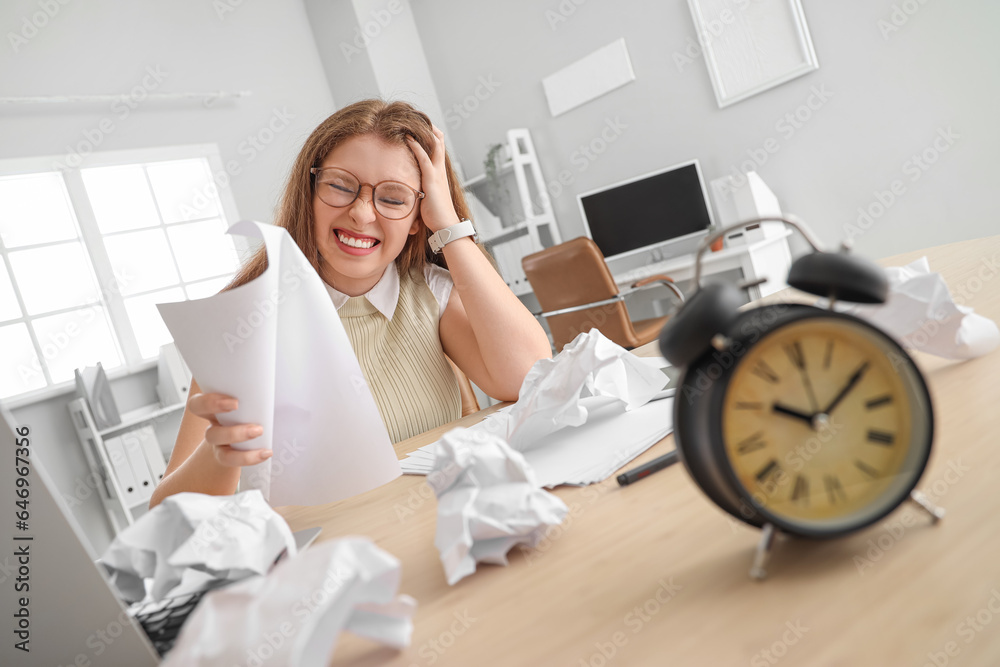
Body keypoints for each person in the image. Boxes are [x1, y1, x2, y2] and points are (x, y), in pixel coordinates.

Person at [149, 99, 551, 508]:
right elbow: (166, 516)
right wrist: (217, 456)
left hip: (439, 534)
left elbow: (528, 378)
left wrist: (448, 225)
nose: (360, 213)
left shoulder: (430, 292)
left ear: (418, 216)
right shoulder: (244, 321)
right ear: (310, 191)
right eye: (340, 186)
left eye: (393, 199)